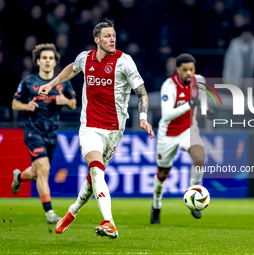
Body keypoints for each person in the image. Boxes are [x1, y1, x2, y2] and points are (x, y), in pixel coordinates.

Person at [38, 18, 155, 239]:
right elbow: (71, 70)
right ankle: (109, 222)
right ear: (97, 40)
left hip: (114, 130)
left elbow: (141, 91)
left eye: (114, 36)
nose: (112, 39)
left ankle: (72, 211)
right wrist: (51, 84)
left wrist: (143, 117)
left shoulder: (124, 61)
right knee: (95, 167)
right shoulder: (86, 58)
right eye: (108, 36)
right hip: (90, 126)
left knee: (93, 180)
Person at [11, 43, 77, 224]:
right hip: (33, 130)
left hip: (52, 132)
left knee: (36, 172)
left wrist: (66, 101)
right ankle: (49, 212)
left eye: (51, 58)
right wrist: (26, 106)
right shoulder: (28, 82)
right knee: (44, 169)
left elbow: (73, 103)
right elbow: (15, 104)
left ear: (55, 62)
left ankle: (20, 176)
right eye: (44, 58)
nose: (48, 61)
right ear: (38, 61)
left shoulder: (62, 82)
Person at [151, 53, 206, 224]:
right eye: (185, 70)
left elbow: (201, 102)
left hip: (188, 129)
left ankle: (194, 195)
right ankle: (156, 205)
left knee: (199, 157)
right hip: (168, 134)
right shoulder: (169, 85)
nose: (189, 73)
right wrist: (189, 105)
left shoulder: (199, 80)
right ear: (178, 70)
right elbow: (167, 115)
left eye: (192, 69)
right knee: (163, 173)